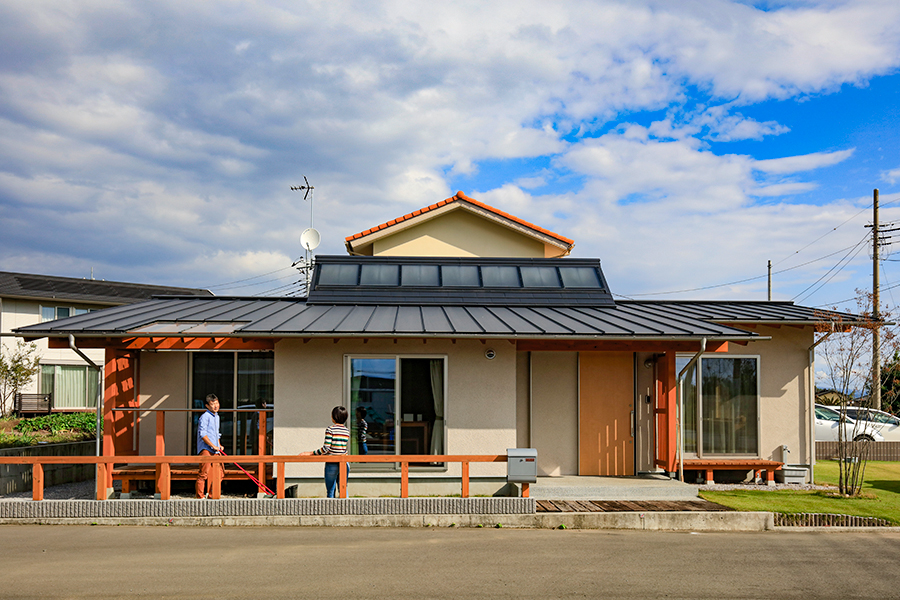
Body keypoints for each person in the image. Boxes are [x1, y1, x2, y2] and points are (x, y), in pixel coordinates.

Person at [300, 406, 350, 498]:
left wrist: (311, 453)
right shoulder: (346, 431)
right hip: (344, 462)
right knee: (343, 489)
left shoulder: (330, 429)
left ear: (334, 417)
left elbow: (326, 448)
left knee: (331, 491)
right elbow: (342, 448)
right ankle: (347, 510)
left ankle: (330, 510)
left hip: (332, 463)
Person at [196, 394, 224, 499]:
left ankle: (212, 496)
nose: (215, 406)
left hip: (215, 449)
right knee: (203, 473)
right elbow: (202, 434)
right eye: (212, 404)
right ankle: (200, 497)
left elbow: (216, 434)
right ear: (207, 406)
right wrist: (213, 446)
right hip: (206, 449)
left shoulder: (217, 417)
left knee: (220, 473)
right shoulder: (204, 417)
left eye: (217, 403)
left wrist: (219, 445)